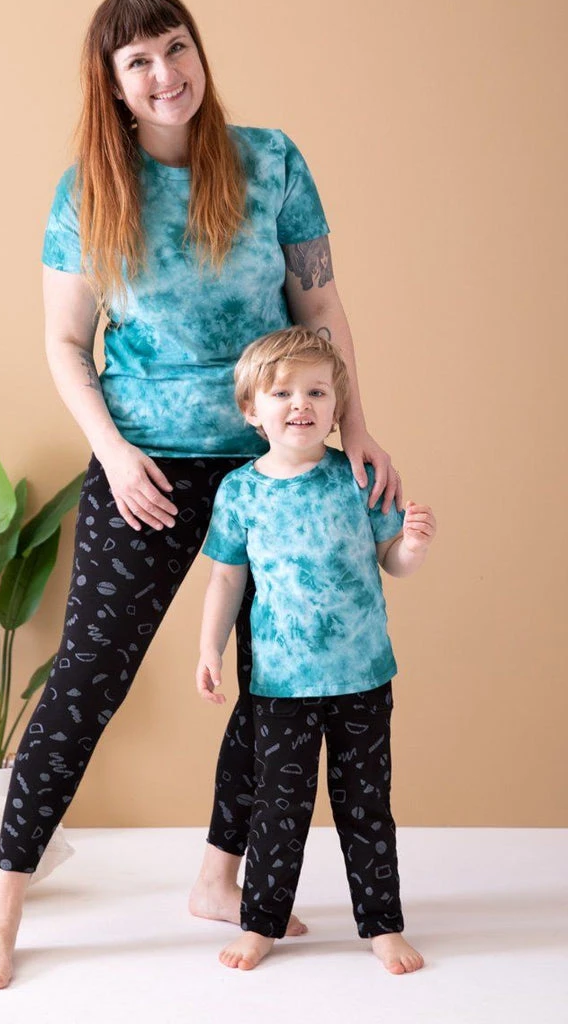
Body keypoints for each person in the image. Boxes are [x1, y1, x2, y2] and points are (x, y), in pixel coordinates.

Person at [0, 0, 403, 990]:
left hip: (275, 457)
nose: (166, 73)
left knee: (278, 677)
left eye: (176, 46)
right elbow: (66, 344)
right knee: (85, 682)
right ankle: (1, 908)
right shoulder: (86, 193)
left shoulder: (272, 161)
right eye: (139, 62)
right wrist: (114, 456)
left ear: (199, 50)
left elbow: (320, 307)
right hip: (145, 465)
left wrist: (358, 428)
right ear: (112, 85)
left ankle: (217, 876)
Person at [196, 326, 436, 973]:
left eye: (316, 392)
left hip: (364, 677)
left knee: (367, 806)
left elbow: (392, 561)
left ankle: (383, 926)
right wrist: (210, 649)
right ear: (252, 409)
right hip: (281, 686)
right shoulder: (240, 491)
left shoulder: (358, 478)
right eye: (282, 393)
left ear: (337, 406)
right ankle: (260, 924)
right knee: (279, 809)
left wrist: (412, 546)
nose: (300, 404)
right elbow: (226, 579)